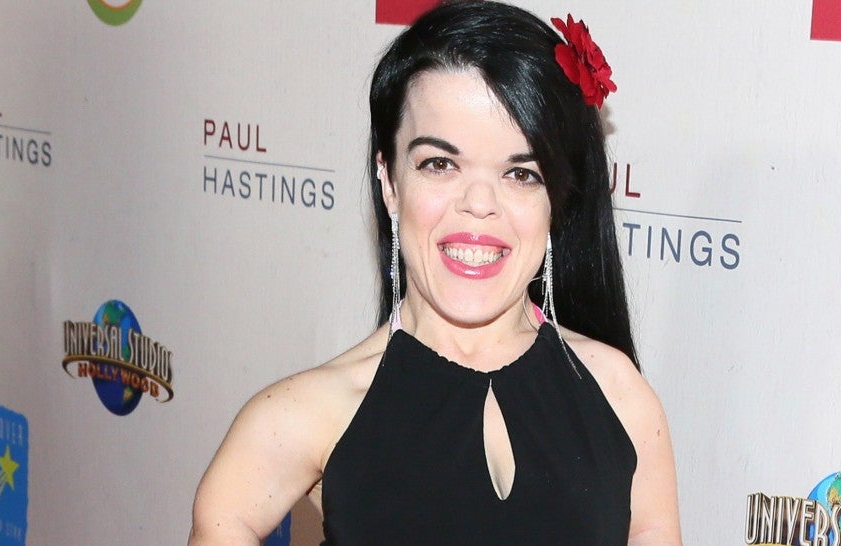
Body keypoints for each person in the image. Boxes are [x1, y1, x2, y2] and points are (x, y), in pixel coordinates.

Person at [189, 1, 681, 544]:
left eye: (521, 174)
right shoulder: (309, 413)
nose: (479, 204)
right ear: (389, 181)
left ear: (557, 199)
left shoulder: (620, 396)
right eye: (440, 164)